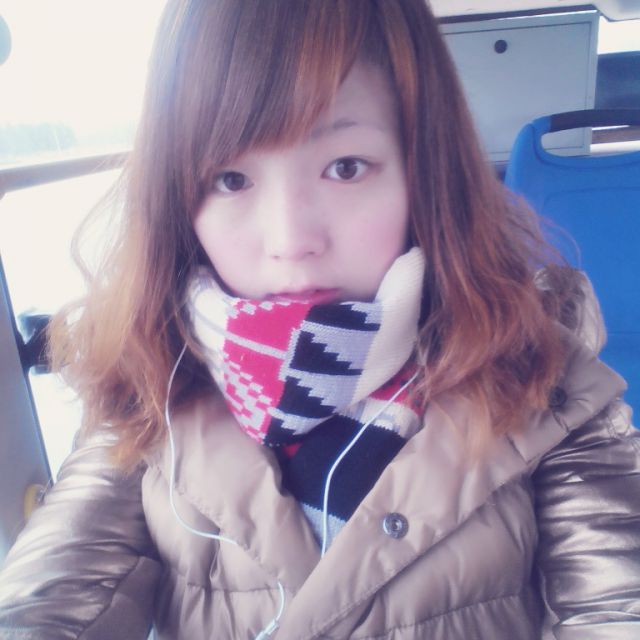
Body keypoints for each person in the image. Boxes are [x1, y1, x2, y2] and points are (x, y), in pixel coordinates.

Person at [1, 1, 639, 638]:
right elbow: (49, 598)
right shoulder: (147, 385)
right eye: (231, 179)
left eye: (345, 168)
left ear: (425, 173)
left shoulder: (542, 380)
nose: (290, 240)